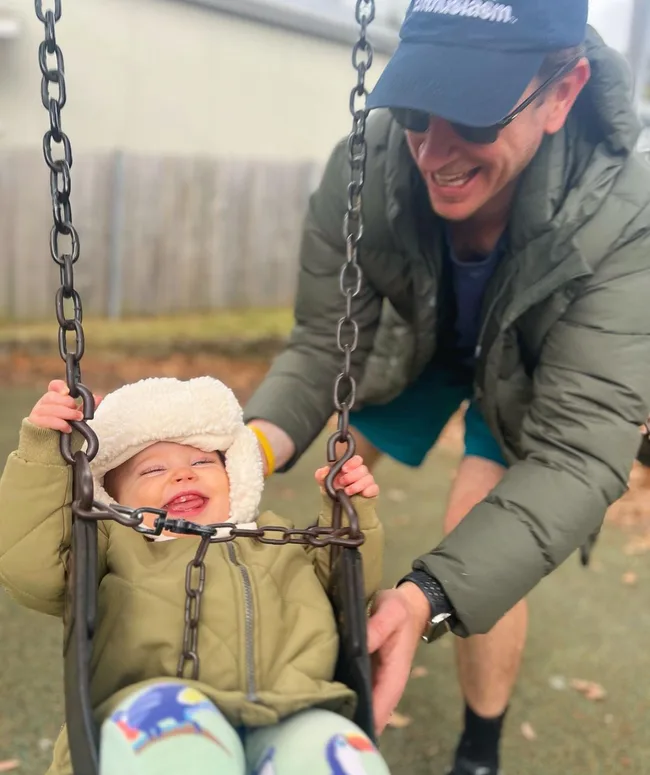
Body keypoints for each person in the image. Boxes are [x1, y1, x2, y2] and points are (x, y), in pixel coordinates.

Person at [243, 2, 650, 773]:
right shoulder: (369, 164)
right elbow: (322, 347)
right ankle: (304, 644)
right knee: (336, 467)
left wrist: (423, 596)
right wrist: (242, 449)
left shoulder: (628, 214)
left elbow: (576, 451)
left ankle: (480, 747)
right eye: (418, 108)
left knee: (476, 518)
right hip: (423, 346)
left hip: (534, 374)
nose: (433, 150)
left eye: (471, 115)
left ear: (564, 93)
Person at [0, 377, 388, 775]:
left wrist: (350, 514)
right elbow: (33, 567)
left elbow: (348, 591)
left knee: (337, 750)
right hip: (160, 713)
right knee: (175, 736)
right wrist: (44, 449)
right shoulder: (112, 548)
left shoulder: (278, 539)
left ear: (235, 473)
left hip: (293, 709)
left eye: (202, 461)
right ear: (114, 500)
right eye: (152, 470)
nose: (183, 475)